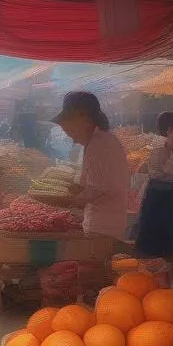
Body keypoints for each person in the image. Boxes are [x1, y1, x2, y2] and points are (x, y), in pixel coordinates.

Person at [54, 91, 129, 239]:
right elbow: (94, 183)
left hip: (103, 226)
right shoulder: (103, 140)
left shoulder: (98, 144)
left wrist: (66, 202)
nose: (73, 139)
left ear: (85, 118)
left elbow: (97, 190)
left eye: (72, 130)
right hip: (110, 221)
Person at [135, 112, 173, 258]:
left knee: (165, 239)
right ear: (170, 129)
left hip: (168, 195)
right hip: (160, 195)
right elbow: (160, 172)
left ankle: (162, 266)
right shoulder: (160, 143)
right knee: (154, 238)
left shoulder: (169, 144)